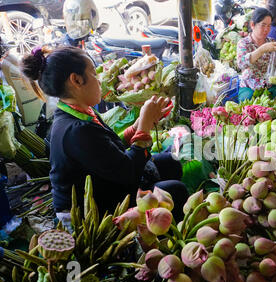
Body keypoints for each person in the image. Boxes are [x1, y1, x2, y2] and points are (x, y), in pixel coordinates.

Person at [20, 46, 188, 221]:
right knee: (175, 190)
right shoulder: (76, 130)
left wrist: (138, 126)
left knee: (171, 162)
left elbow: (108, 148)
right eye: (93, 73)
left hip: (105, 180)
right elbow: (128, 173)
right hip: (93, 211)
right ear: (76, 80)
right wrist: (144, 127)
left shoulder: (77, 111)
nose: (99, 80)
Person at [237, 8, 276, 102]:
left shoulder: (271, 42)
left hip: (269, 85)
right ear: (252, 25)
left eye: (269, 26)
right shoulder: (244, 43)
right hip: (249, 87)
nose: (266, 29)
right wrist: (262, 50)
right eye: (263, 25)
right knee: (248, 101)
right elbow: (241, 64)